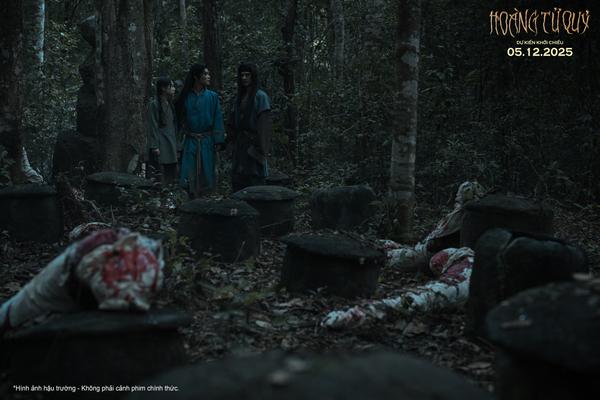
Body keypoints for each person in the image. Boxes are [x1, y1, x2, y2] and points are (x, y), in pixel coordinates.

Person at [176, 64, 225, 196]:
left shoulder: (213, 97)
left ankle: (207, 199)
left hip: (207, 141)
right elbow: (179, 122)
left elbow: (218, 119)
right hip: (190, 141)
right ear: (196, 77)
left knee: (208, 173)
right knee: (188, 174)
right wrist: (178, 144)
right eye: (205, 74)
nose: (208, 76)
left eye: (208, 74)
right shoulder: (185, 97)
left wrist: (218, 141)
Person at [227, 63, 272, 192]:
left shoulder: (261, 97)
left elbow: (264, 127)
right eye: (242, 75)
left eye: (247, 75)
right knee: (238, 182)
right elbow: (232, 124)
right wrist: (230, 143)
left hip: (253, 146)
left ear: (253, 76)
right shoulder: (238, 98)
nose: (244, 78)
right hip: (239, 146)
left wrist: (259, 150)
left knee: (255, 184)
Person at [146, 77, 178, 183]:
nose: (174, 88)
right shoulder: (154, 104)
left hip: (170, 142)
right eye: (171, 86)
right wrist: (154, 146)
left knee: (171, 172)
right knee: (159, 171)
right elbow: (152, 125)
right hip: (160, 143)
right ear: (163, 88)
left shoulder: (170, 104)